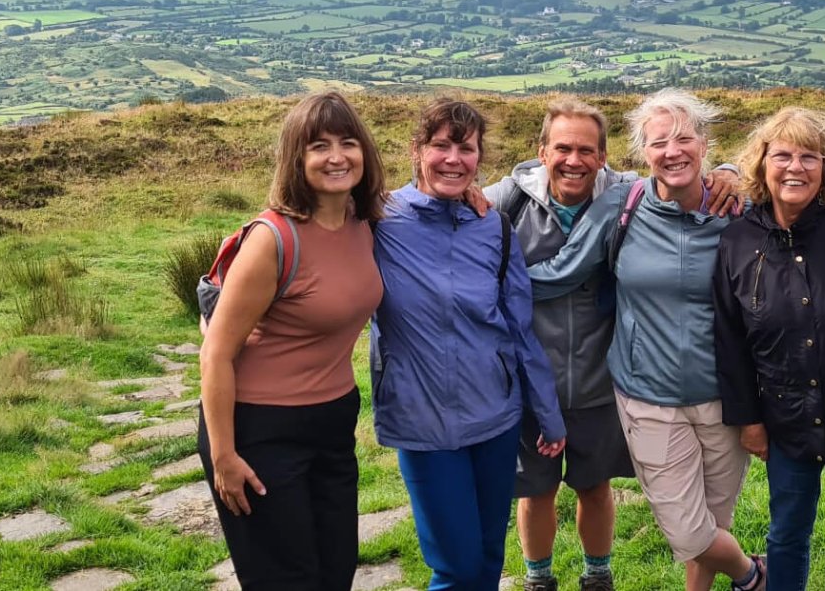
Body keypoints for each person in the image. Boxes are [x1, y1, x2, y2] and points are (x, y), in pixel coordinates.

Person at [481, 96, 741, 591]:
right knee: (535, 492)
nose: (573, 160)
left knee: (593, 486)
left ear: (604, 157)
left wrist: (729, 171)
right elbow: (451, 203)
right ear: (541, 151)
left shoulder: (624, 193)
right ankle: (538, 579)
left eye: (586, 150)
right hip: (530, 382)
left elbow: (687, 172)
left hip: (601, 379)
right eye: (562, 148)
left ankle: (597, 577)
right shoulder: (507, 200)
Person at [371, 98, 567, 591]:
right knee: (454, 567)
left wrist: (547, 411)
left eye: (466, 148)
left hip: (494, 419)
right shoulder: (377, 221)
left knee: (484, 559)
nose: (453, 159)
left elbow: (518, 328)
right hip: (421, 420)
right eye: (441, 146)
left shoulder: (494, 227)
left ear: (480, 157)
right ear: (417, 149)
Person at [198, 91, 387, 590]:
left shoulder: (364, 221)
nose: (337, 156)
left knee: (335, 570)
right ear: (295, 158)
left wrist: (485, 194)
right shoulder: (273, 238)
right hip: (259, 430)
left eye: (348, 142)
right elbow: (216, 351)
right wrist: (223, 455)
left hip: (332, 422)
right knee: (287, 580)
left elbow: (439, 189)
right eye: (318, 146)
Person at [713, 107, 825, 591]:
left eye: (810, 157)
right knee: (787, 535)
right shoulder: (736, 240)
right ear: (761, 164)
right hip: (784, 420)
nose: (796, 167)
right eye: (783, 156)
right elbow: (729, 340)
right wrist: (749, 419)